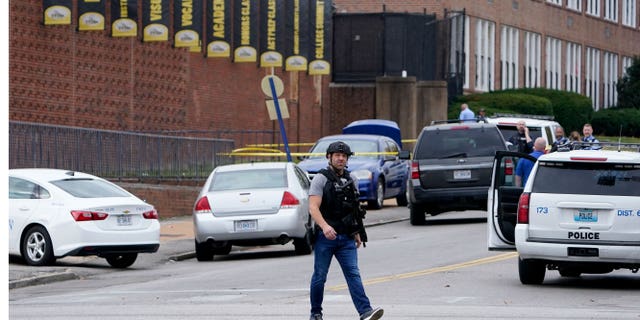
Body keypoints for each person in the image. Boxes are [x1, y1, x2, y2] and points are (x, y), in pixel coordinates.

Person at [308, 141, 384, 320]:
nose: (341, 158)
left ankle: (365, 311)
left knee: (353, 274)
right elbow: (313, 207)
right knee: (320, 277)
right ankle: (316, 313)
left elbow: (354, 210)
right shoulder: (321, 178)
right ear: (329, 157)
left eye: (344, 156)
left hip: (346, 238)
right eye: (337, 155)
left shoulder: (352, 180)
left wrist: (356, 232)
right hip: (325, 238)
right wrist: (325, 226)